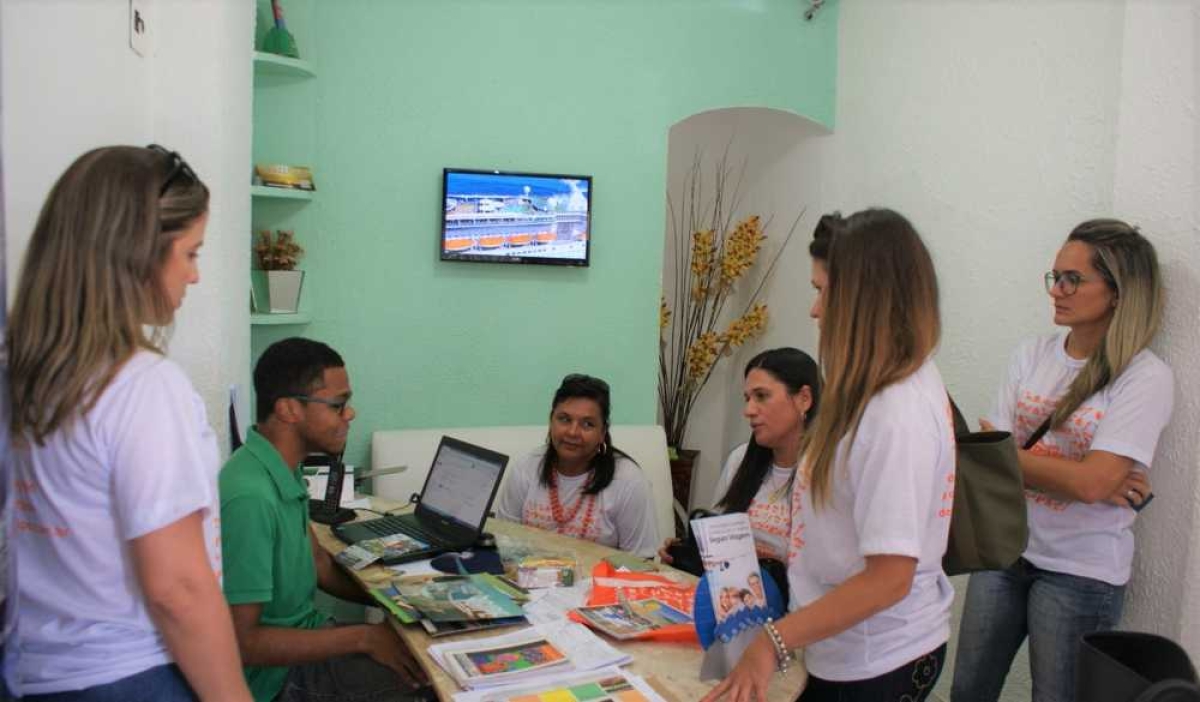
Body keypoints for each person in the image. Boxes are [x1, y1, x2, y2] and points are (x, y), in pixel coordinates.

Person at [7, 146, 251, 700]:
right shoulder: (142, 387)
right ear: (137, 255)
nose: (194, 275)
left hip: (38, 672)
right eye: (190, 253)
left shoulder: (22, 373)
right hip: (133, 674)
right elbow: (178, 590)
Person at [704, 208, 955, 702]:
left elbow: (889, 579)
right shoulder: (880, 386)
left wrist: (773, 641)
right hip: (836, 646)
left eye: (823, 291)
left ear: (863, 299)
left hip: (876, 658)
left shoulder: (895, 412)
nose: (815, 310)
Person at [951, 219, 1174, 702]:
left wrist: (1024, 463)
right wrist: (1082, 476)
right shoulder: (1031, 354)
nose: (1057, 290)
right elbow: (986, 462)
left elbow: (1088, 484)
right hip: (1003, 549)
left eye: (1073, 280)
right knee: (967, 691)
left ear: (1117, 293)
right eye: (1055, 277)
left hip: (1081, 571)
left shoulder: (1144, 377)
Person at [219, 338, 429, 702]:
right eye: (338, 405)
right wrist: (364, 637)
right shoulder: (250, 498)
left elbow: (319, 563)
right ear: (289, 409)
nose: (350, 414)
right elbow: (243, 643)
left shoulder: (279, 466)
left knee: (428, 647)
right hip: (275, 681)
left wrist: (401, 602)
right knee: (435, 682)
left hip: (308, 638)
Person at [659, 347, 820, 566]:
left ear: (804, 399)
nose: (748, 410)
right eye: (747, 398)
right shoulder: (740, 459)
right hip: (734, 585)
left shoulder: (831, 471)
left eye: (761, 396)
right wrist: (690, 552)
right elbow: (718, 538)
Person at [496, 374, 659, 558]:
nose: (573, 432)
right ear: (551, 421)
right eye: (564, 419)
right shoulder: (526, 468)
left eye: (587, 424)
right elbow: (504, 544)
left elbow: (642, 562)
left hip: (601, 577)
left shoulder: (628, 481)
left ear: (602, 432)